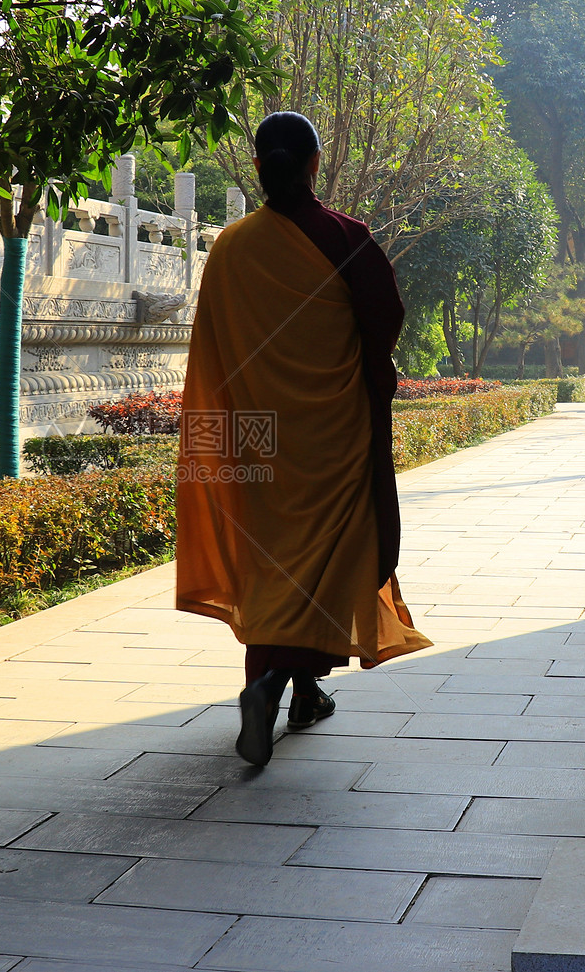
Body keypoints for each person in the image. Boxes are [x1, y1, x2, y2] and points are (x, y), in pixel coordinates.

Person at [175, 111, 432, 767]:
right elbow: (385, 321)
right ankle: (269, 685)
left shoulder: (230, 248)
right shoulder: (345, 238)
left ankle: (297, 691)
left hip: (257, 443)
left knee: (271, 566)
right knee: (325, 566)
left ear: (259, 168)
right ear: (315, 165)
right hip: (332, 442)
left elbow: (215, 355)